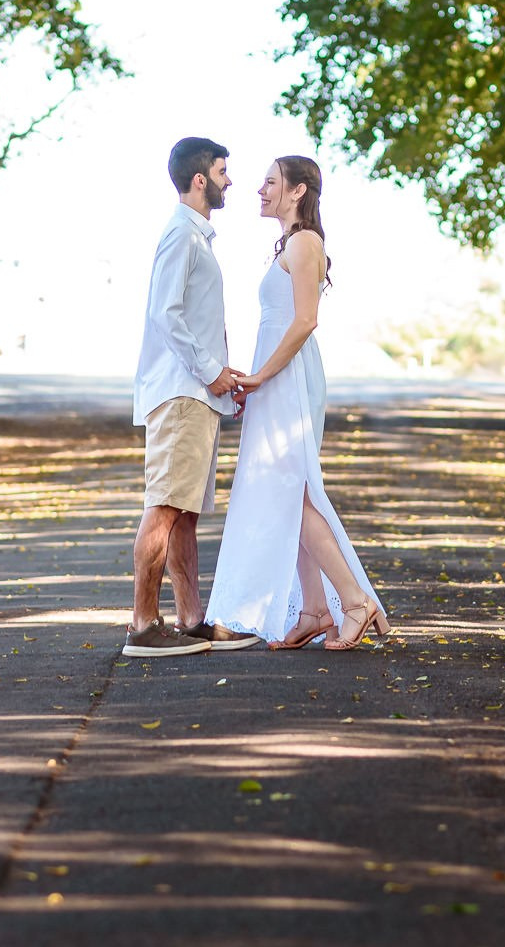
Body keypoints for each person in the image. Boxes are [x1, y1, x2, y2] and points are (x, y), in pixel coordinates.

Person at [206, 156, 390, 651]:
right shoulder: (289, 245)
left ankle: (354, 603)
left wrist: (262, 375)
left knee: (294, 492)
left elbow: (306, 321)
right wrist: (257, 377)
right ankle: (313, 609)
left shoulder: (306, 242)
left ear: (298, 191)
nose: (259, 190)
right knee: (292, 490)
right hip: (275, 381)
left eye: (270, 182)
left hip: (288, 380)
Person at [124, 137, 265, 657]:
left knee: (185, 513)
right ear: (200, 179)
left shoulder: (198, 239)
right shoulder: (181, 234)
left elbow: (195, 324)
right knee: (164, 507)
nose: (231, 181)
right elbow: (167, 314)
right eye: (224, 172)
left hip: (198, 395)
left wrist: (222, 378)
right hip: (182, 394)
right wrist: (211, 374)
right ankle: (143, 624)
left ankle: (191, 619)